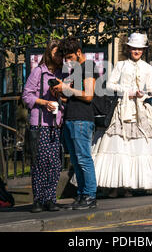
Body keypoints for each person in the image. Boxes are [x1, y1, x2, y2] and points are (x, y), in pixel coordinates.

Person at [91, 33, 152, 197]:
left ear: (143, 50)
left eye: (140, 48)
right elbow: (109, 85)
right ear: (129, 48)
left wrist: (143, 94)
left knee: (139, 146)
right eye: (134, 48)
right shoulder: (121, 65)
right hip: (122, 110)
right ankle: (116, 187)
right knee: (119, 145)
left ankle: (130, 186)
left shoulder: (147, 67)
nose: (137, 51)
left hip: (141, 111)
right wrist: (127, 92)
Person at [53, 37, 99, 209]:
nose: (67, 61)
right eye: (65, 58)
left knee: (83, 158)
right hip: (71, 117)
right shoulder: (76, 70)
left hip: (82, 119)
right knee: (75, 159)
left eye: (70, 57)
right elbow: (74, 95)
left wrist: (67, 89)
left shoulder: (88, 67)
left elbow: (88, 95)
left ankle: (90, 195)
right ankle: (82, 194)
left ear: (79, 52)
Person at [22, 40, 66, 212]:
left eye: (61, 54)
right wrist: (43, 102)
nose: (59, 57)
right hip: (39, 123)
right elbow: (26, 96)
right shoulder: (39, 72)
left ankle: (50, 198)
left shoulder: (63, 74)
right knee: (40, 162)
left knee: (54, 163)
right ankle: (38, 200)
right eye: (56, 53)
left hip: (55, 123)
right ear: (49, 54)